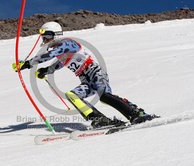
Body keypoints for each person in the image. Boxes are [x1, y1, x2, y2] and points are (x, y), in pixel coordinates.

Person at [12, 21, 157, 128]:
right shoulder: (60, 51)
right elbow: (60, 63)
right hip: (85, 79)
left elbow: (52, 54)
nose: (45, 40)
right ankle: (100, 120)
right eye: (44, 37)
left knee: (104, 96)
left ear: (56, 35)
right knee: (72, 95)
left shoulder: (67, 43)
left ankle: (137, 114)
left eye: (48, 36)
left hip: (95, 73)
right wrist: (46, 70)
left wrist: (27, 64)